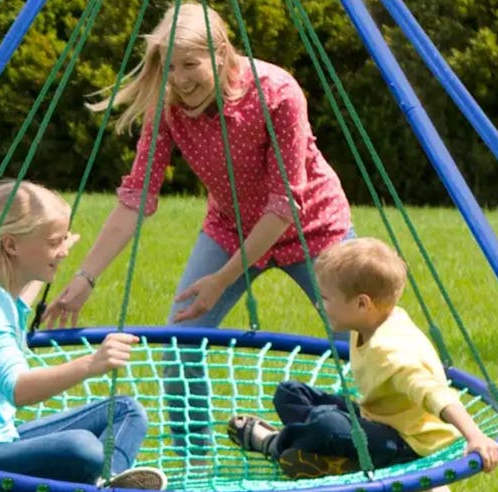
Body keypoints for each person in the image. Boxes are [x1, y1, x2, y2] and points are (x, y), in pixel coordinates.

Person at [45, 2, 353, 458]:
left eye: (190, 64)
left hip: (312, 226)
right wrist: (84, 279)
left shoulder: (277, 92)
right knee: (179, 341)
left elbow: (284, 203)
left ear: (222, 53)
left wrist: (222, 279)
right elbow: (137, 197)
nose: (180, 78)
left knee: (367, 341)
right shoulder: (168, 105)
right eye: (169, 67)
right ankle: (196, 460)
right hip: (229, 228)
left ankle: (416, 471)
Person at [227, 237, 498, 492]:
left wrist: (474, 436)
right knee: (290, 393)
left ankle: (274, 444)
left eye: (327, 298)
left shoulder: (392, 352)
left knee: (327, 423)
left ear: (362, 303)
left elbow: (433, 393)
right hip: (376, 417)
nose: (319, 304)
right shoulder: (377, 320)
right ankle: (327, 455)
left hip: (407, 442)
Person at [0, 178, 167, 491]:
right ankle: (102, 479)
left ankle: (108, 480)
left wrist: (53, 248)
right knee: (82, 449)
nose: (62, 252)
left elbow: (18, 302)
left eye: (62, 241)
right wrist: (91, 364)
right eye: (53, 243)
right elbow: (18, 389)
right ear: (10, 245)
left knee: (128, 410)